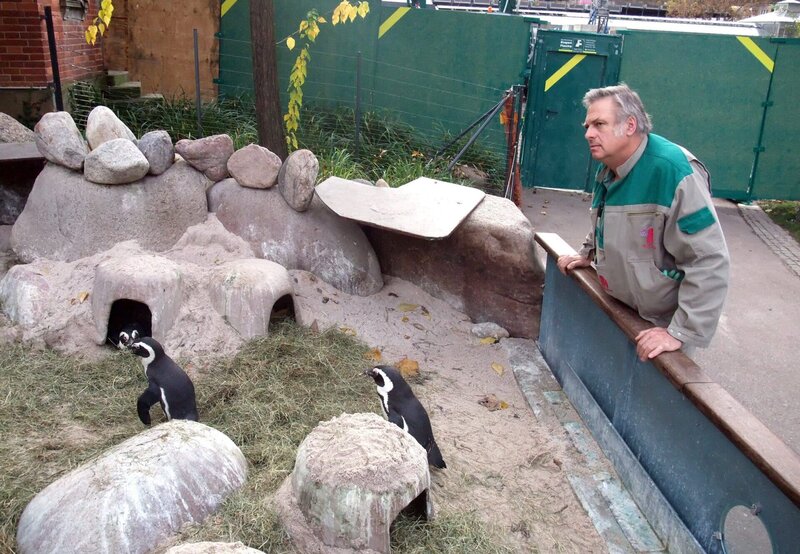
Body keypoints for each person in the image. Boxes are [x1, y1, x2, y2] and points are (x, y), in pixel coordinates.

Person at [557, 84, 729, 361]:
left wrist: (680, 332)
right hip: (624, 306)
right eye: (587, 125)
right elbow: (606, 218)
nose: (588, 133)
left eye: (599, 124)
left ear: (630, 125)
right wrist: (587, 252)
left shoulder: (673, 170)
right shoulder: (610, 166)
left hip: (661, 324)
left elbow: (708, 260)